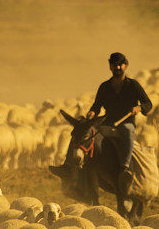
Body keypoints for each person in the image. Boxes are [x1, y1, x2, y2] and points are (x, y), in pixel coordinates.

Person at [51, 52, 152, 195]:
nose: (117, 67)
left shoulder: (133, 85)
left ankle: (125, 168)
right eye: (114, 65)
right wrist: (92, 112)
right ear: (110, 66)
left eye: (120, 65)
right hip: (107, 121)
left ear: (125, 66)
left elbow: (148, 103)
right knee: (80, 131)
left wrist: (140, 108)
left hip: (126, 122)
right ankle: (68, 166)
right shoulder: (105, 87)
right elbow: (97, 105)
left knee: (128, 132)